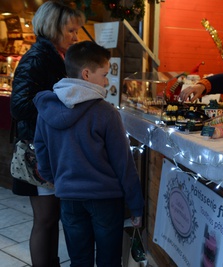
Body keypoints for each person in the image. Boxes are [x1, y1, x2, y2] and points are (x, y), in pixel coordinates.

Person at [33, 40, 145, 267]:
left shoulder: (46, 110)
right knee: (108, 260)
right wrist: (136, 205)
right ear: (86, 74)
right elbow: (124, 165)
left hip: (69, 197)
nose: (106, 81)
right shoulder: (106, 113)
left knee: (79, 259)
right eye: (104, 75)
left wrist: (57, 179)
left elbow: (42, 155)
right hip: (105, 199)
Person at [10, 1, 85, 266]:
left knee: (52, 217)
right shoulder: (37, 58)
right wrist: (59, 103)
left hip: (51, 149)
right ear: (53, 28)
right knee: (44, 219)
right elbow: (18, 106)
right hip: (37, 150)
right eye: (71, 31)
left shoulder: (57, 55)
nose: (76, 37)